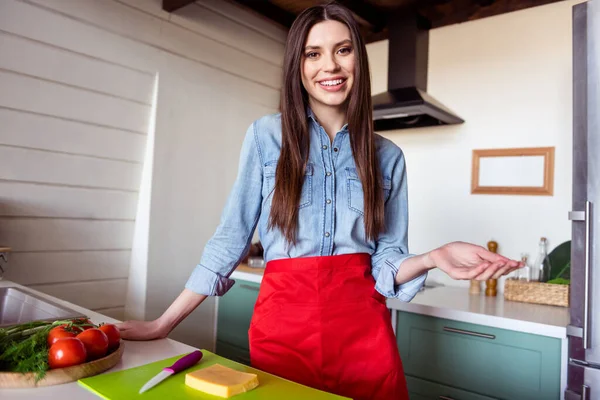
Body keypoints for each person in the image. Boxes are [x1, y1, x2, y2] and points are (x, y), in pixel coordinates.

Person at [117, 2, 521, 399]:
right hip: (283, 330)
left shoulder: (388, 157)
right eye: (314, 53)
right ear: (299, 65)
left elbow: (387, 259)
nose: (330, 65)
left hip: (365, 333)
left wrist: (434, 257)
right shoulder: (266, 136)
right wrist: (163, 324)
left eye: (343, 50)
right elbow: (230, 239)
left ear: (358, 62)